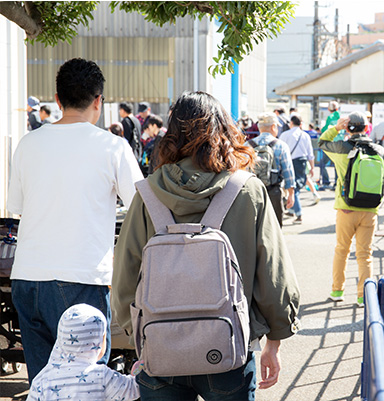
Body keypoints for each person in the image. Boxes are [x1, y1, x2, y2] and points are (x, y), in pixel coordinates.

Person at [112, 91, 301, 400]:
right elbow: (273, 272)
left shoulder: (147, 195)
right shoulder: (247, 190)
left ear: (172, 134)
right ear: (224, 131)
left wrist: (137, 334)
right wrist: (275, 340)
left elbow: (125, 274)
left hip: (159, 347)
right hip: (228, 347)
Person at [7, 57, 143, 383]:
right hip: (82, 277)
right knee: (86, 384)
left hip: (27, 276)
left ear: (57, 100)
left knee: (44, 384)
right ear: (98, 101)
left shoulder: (29, 143)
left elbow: (19, 207)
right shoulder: (113, 147)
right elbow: (141, 205)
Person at [318, 112, 384, 307]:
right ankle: (362, 296)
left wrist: (336, 128)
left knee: (342, 250)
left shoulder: (342, 148)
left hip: (346, 209)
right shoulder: (379, 150)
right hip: (370, 210)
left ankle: (337, 290)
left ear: (348, 128)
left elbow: (321, 142)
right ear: (367, 128)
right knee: (365, 254)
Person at [26, 304, 140, 401]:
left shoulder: (42, 379)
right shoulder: (102, 376)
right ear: (98, 342)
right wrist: (138, 370)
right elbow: (133, 388)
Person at [247, 112, 295, 226]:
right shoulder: (281, 145)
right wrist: (291, 194)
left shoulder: (247, 145)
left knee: (254, 226)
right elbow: (288, 171)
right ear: (273, 127)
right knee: (275, 226)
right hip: (274, 191)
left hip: (252, 192)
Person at [279, 114, 315, 224]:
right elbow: (310, 153)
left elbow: (279, 148)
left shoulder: (285, 135)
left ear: (291, 123)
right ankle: (291, 209)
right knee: (296, 186)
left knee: (291, 186)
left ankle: (298, 213)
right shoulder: (305, 135)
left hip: (288, 161)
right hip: (302, 162)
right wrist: (312, 167)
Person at [319, 101, 341, 189]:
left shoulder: (330, 117)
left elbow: (325, 129)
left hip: (330, 144)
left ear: (328, 109)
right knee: (337, 164)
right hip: (339, 143)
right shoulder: (341, 117)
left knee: (322, 163)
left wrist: (321, 129)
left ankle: (326, 181)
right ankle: (336, 182)